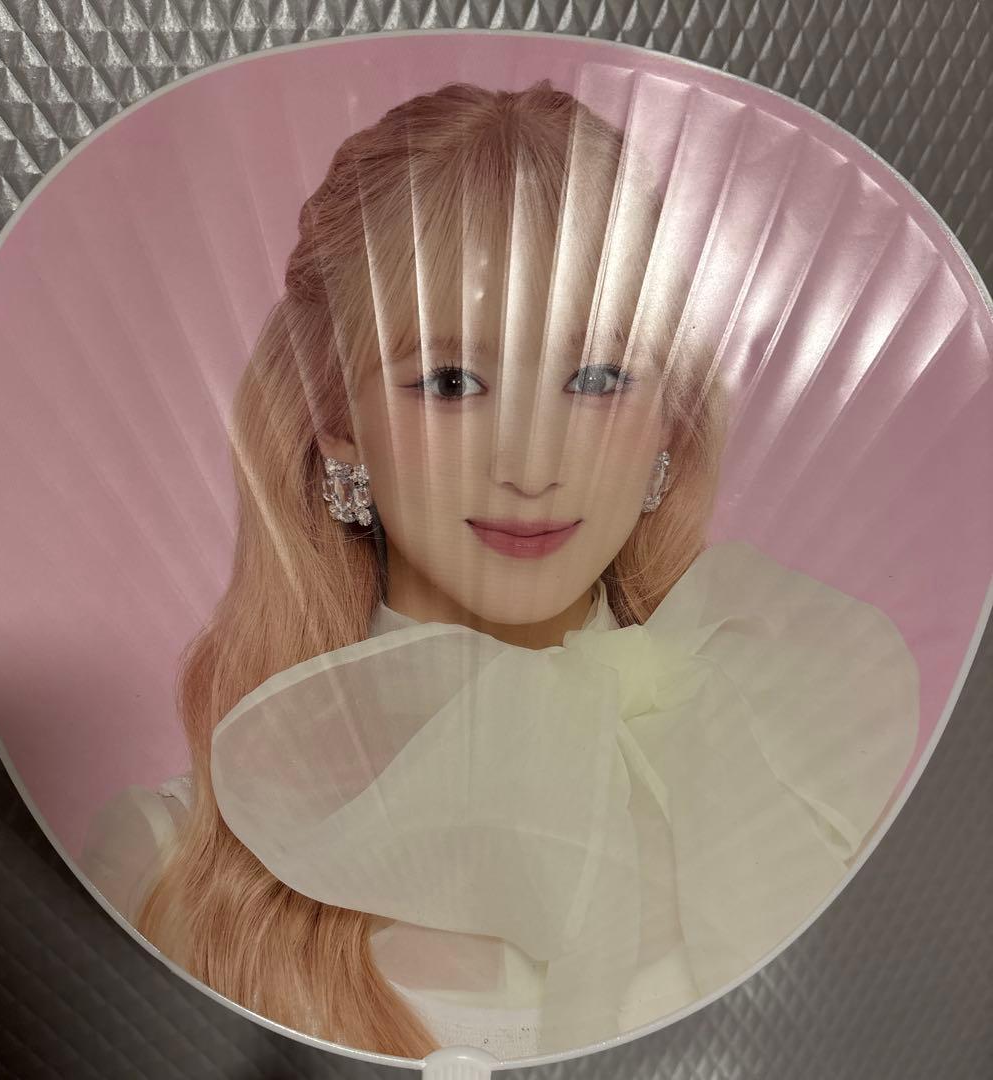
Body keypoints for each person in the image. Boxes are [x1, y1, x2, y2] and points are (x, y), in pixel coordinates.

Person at [80, 79, 919, 1059]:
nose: (530, 466)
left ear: (669, 418)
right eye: (450, 381)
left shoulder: (804, 789)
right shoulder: (166, 870)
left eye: (597, 378)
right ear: (337, 422)